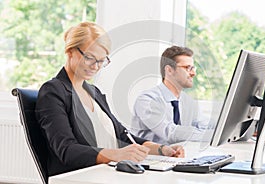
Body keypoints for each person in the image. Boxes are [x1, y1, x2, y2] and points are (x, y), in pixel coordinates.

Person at [35, 22, 184, 176]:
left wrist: (161, 149)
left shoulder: (94, 92)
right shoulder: (53, 92)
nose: (95, 66)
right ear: (70, 51)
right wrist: (115, 154)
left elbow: (122, 135)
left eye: (101, 61)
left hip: (109, 172)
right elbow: (66, 150)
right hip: (83, 176)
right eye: (89, 58)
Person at [131, 46, 211, 145]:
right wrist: (210, 135)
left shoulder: (187, 101)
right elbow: (170, 133)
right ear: (169, 70)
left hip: (177, 155)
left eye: (193, 68)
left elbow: (204, 124)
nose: (193, 73)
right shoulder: (147, 100)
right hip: (152, 157)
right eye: (187, 68)